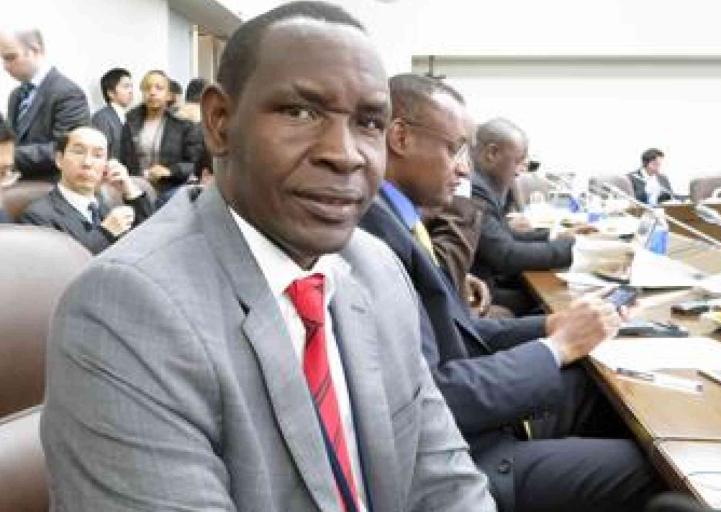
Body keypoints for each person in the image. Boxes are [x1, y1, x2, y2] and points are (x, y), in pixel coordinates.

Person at [41, 3, 496, 511]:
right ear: (219, 123)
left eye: (369, 122)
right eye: (301, 112)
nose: (345, 153)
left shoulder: (377, 268)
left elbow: (446, 483)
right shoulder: (125, 309)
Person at [359, 73, 661, 512]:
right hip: (463, 456)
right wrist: (557, 346)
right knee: (648, 469)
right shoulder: (374, 234)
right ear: (400, 137)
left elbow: (459, 338)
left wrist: (548, 324)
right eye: (455, 148)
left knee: (600, 394)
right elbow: (437, 396)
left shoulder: (398, 218)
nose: (465, 167)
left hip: (477, 422)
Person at [470, 118, 575, 314]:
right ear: (492, 153)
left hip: (488, 280)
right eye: (518, 161)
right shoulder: (474, 189)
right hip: (480, 292)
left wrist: (553, 238)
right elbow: (507, 255)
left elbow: (503, 236)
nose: (521, 171)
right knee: (559, 303)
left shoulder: (482, 185)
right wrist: (577, 250)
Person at [19, 126, 152, 254]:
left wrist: (130, 191)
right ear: (59, 160)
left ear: (106, 165)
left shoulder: (106, 206)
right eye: (78, 152)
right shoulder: (37, 216)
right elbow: (60, 267)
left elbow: (149, 240)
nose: (87, 162)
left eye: (98, 155)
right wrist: (105, 233)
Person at [0, 28, 89, 180]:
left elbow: (66, 149)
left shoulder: (68, 93)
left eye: (11, 58)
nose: (5, 66)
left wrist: (6, 155)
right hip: (18, 183)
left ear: (35, 50)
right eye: (3, 59)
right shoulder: (15, 95)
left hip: (51, 188)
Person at [119, 69, 203, 207]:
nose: (152, 92)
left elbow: (195, 164)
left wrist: (170, 171)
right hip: (136, 189)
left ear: (169, 95)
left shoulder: (182, 124)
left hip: (172, 190)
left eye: (159, 88)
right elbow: (123, 158)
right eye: (147, 88)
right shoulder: (130, 122)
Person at [91, 67, 133, 159]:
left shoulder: (129, 117)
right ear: (111, 93)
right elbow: (101, 153)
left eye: (131, 87)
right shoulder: (101, 118)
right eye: (126, 87)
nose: (131, 91)